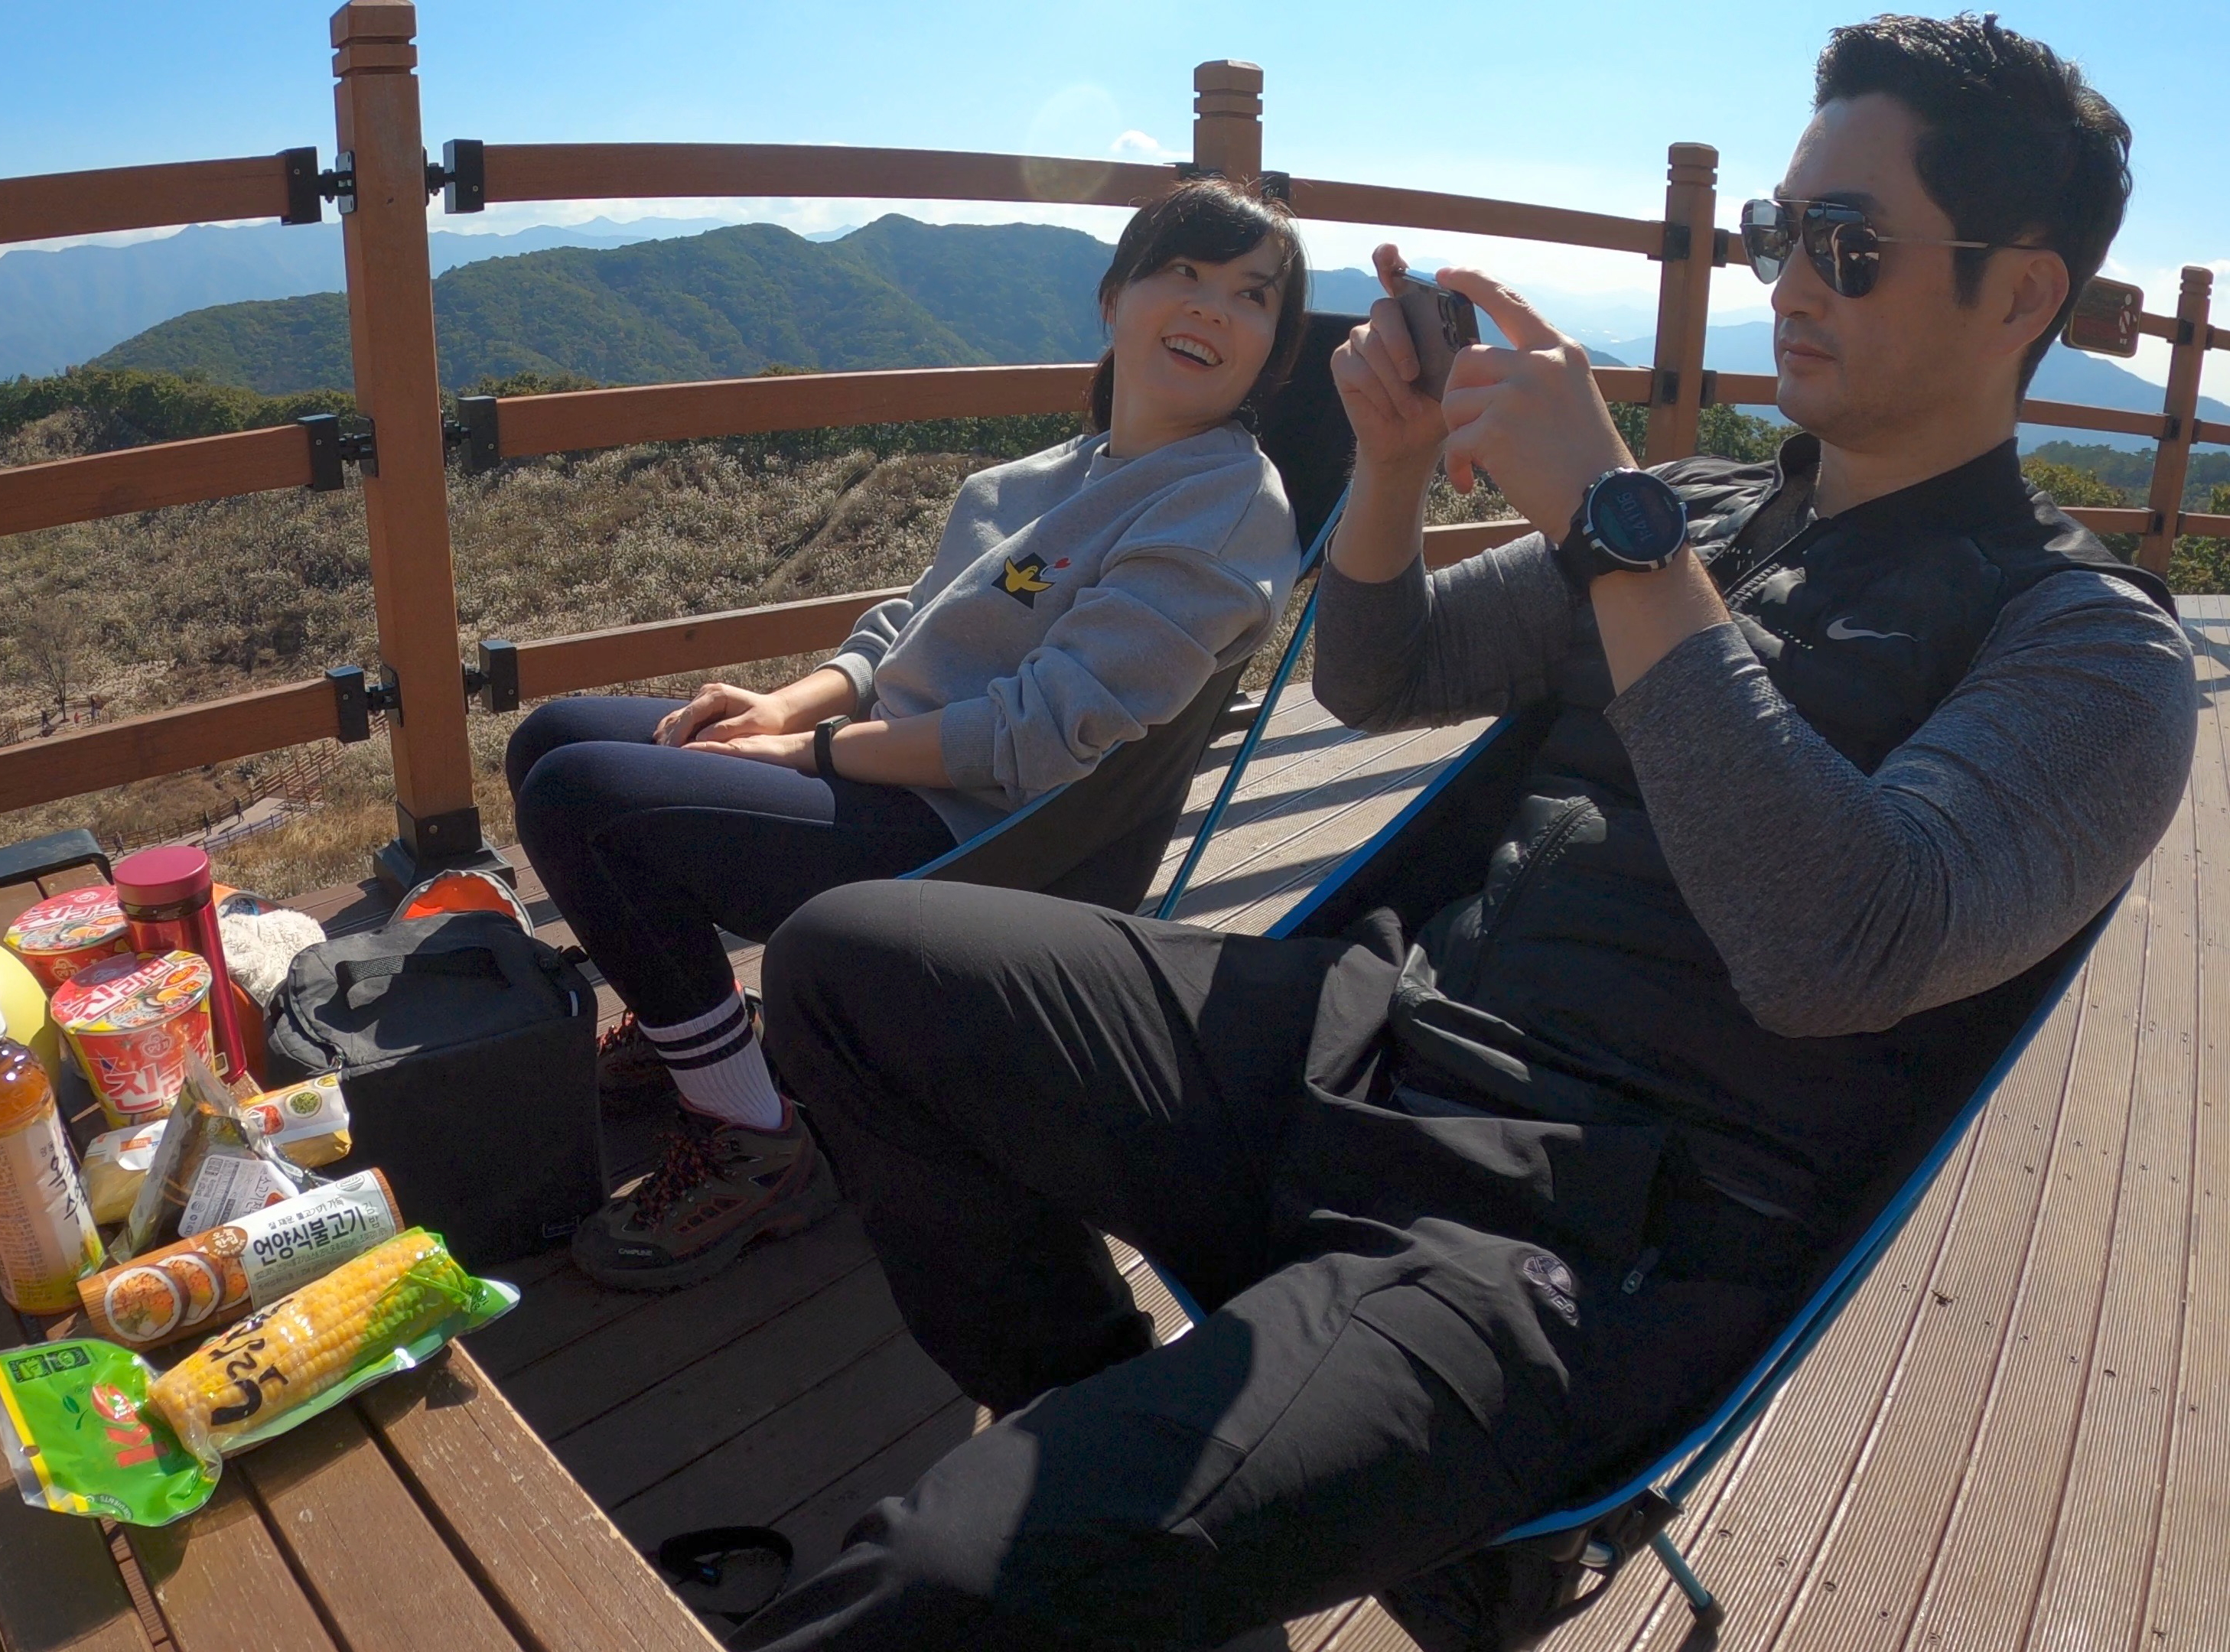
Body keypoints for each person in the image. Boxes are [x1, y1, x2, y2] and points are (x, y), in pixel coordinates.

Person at [728, 15, 2196, 1647]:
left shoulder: (2089, 652)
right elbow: (1383, 670)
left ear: (2022, 295)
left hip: (1564, 1238)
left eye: (1846, 243)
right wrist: (1393, 468)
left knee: (935, 1588)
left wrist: (1615, 530)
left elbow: (1830, 946)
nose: (1789, 279)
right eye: (1777, 231)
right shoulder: (1709, 510)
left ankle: (1161, 1531)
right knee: (847, 966)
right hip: (1363, 1032)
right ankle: (1118, 1446)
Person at [506, 177, 1314, 1289]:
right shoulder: (1060, 473)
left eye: (1253, 294)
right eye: (1184, 271)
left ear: (1272, 350)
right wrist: (789, 705)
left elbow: (1038, 737)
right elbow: (912, 623)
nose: (1213, 307)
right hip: (888, 763)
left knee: (584, 803)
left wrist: (813, 752)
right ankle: (695, 1020)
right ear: (1115, 297)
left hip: (984, 837)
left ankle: (755, 1134)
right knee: (551, 737)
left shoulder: (1221, 505)